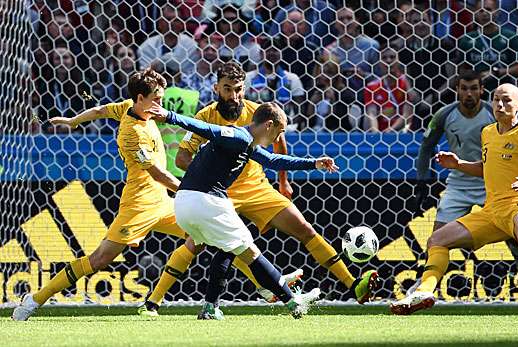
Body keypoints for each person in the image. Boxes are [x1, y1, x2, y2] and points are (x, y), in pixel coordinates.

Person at [138, 62, 379, 319]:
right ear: (216, 88)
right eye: (227, 89)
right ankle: (155, 301)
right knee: (208, 246)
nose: (233, 95)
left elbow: (275, 156)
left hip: (254, 190)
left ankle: (351, 284)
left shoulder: (259, 114)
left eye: (238, 89)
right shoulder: (212, 119)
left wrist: (293, 176)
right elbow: (184, 157)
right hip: (217, 195)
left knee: (302, 230)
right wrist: (205, 165)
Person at [390, 83, 518, 317]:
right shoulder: (487, 132)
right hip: (491, 210)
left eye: (506, 100)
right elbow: (488, 168)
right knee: (437, 239)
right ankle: (424, 291)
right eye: (496, 99)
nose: (500, 104)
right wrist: (459, 164)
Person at [12, 69, 190, 320]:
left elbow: (99, 111)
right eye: (156, 99)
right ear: (141, 98)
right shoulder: (132, 134)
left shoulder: (128, 106)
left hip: (162, 202)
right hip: (138, 206)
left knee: (205, 234)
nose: (161, 105)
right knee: (99, 260)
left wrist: (73, 120)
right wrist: (189, 191)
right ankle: (35, 299)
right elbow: (157, 174)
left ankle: (153, 304)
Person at [146, 102, 332, 318]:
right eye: (279, 133)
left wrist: (314, 164)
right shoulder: (237, 136)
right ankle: (292, 302)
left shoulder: (247, 144)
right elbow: (205, 128)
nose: (277, 139)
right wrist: (169, 115)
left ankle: (210, 307)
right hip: (205, 201)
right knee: (251, 252)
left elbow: (273, 160)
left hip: (186, 203)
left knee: (227, 249)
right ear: (268, 125)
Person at [413, 70, 518, 306]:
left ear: (482, 91)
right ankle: (425, 283)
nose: (468, 93)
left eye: (473, 88)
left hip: (491, 183)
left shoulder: (493, 116)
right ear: (457, 89)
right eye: (463, 88)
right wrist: (422, 181)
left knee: (514, 232)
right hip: (458, 182)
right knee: (437, 237)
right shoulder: (444, 114)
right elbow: (425, 147)